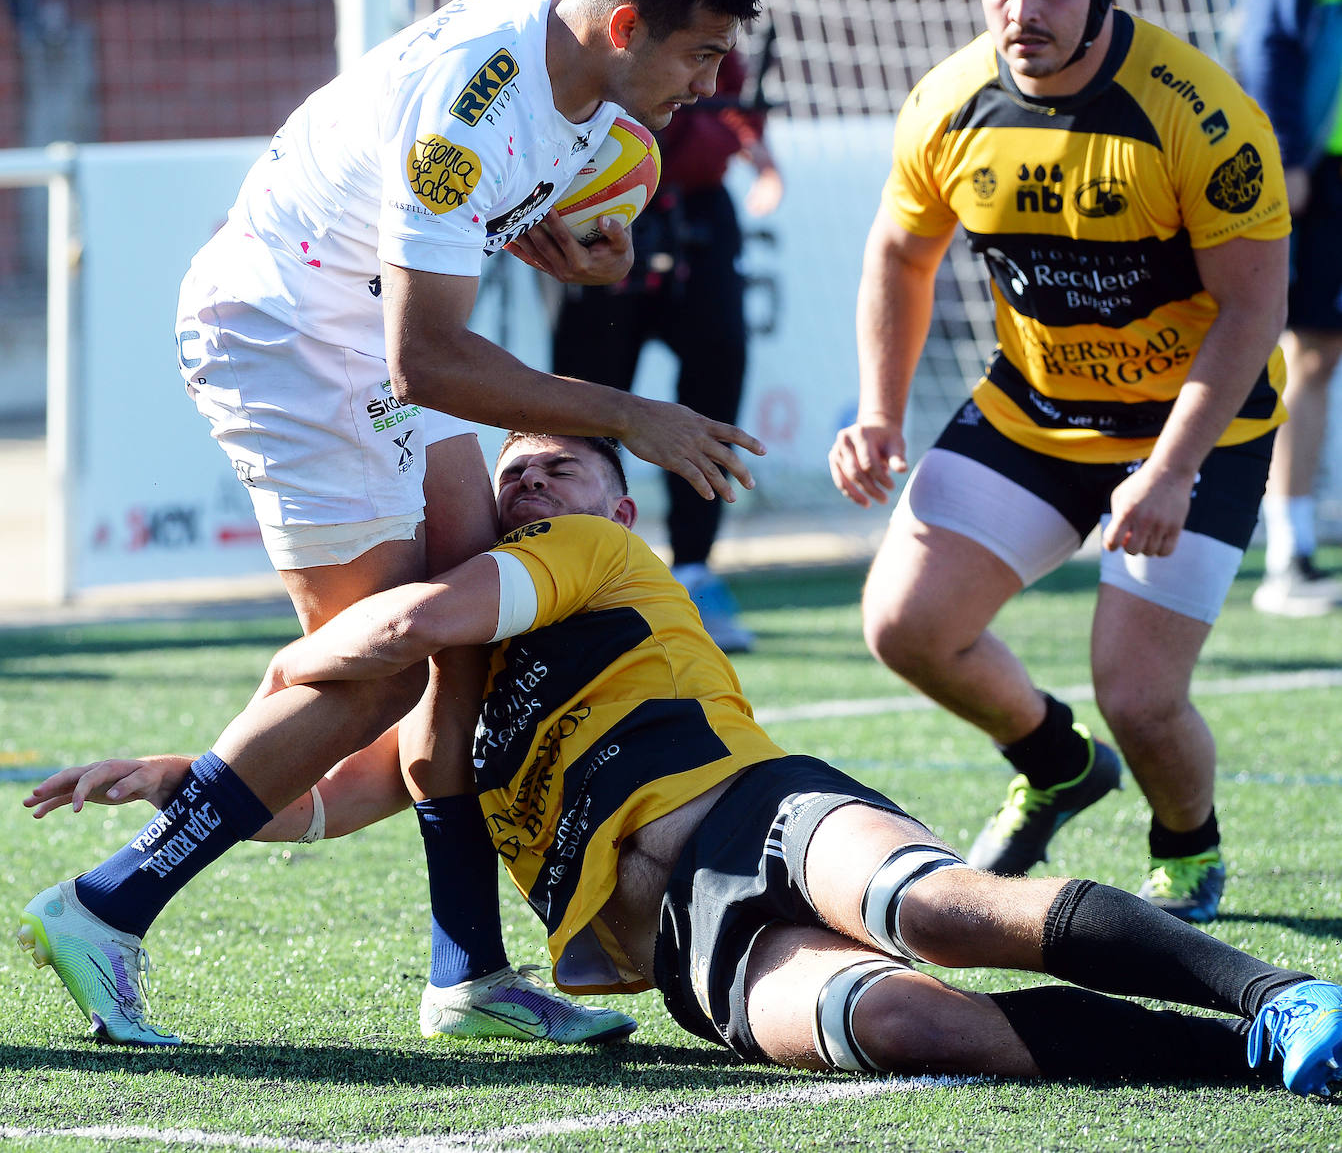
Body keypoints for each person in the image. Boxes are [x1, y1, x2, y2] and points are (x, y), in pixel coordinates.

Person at [22, 433, 1342, 1097]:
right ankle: (1248, 1060)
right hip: (676, 949)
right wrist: (184, 776)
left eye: (563, 468)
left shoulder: (594, 559)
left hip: (750, 810)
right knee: (903, 1021)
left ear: (619, 504)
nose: (532, 480)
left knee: (938, 907)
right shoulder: (453, 712)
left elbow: (411, 618)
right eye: (518, 471)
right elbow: (321, 800)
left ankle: (1273, 993)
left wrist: (279, 679)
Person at [165, 0, 765, 1044]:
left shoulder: (578, 45)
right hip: (291, 332)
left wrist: (588, 248)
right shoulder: (472, 106)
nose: (707, 83)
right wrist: (630, 415)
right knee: (386, 673)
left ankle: (467, 974)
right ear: (628, 25)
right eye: (698, 54)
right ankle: (110, 901)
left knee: (464, 637)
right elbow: (426, 356)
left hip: (361, 323)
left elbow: (518, 229)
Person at [827, 0, 1292, 926]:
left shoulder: (1199, 114)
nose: (1021, 11)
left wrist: (1171, 471)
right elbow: (899, 256)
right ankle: (1055, 764)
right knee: (904, 624)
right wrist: (878, 411)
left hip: (1194, 433)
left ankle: (1188, 846)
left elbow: (1254, 307)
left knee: (1137, 694)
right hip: (1035, 411)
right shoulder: (948, 104)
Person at [502, 0, 783, 653]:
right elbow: (537, 70)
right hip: (586, 193)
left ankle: (695, 572)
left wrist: (737, 132)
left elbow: (712, 58)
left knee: (719, 363)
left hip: (690, 187)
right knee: (584, 394)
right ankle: (577, 576)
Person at [1236, 0, 1342, 617]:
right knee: (1309, 349)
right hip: (1324, 167)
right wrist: (1288, 155)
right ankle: (1287, 553)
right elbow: (1269, 38)